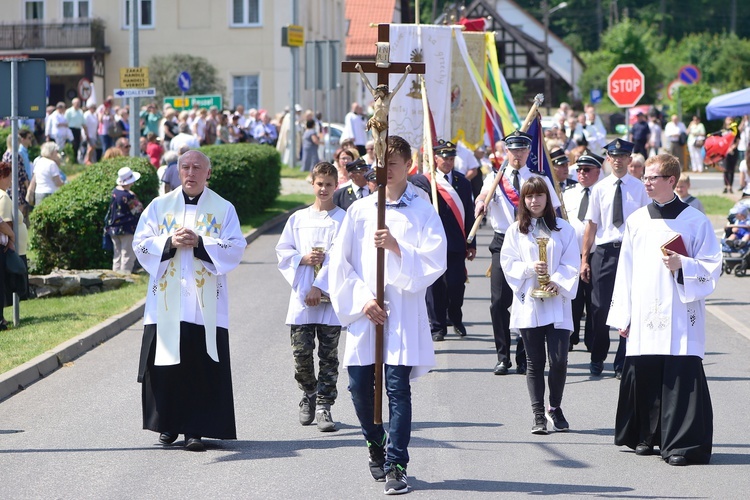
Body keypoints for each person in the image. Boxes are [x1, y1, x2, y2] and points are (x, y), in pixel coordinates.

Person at [328, 135, 447, 495]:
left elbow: (434, 261)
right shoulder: (361, 210)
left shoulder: (422, 210)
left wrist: (397, 248)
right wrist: (364, 299)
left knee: (397, 389)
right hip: (368, 312)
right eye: (382, 163)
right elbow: (341, 263)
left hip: (404, 312)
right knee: (359, 386)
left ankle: (397, 463)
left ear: (408, 166)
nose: (387, 169)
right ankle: (374, 442)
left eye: (394, 163)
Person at [608, 153, 720, 466]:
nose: (646, 181)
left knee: (679, 373)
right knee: (646, 369)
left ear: (671, 180)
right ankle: (647, 436)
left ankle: (682, 445)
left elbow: (712, 266)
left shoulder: (694, 220)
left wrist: (682, 265)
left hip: (681, 310)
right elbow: (625, 270)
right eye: (644, 176)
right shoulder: (636, 219)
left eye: (653, 177)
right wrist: (623, 315)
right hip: (645, 310)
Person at [133, 150, 247, 451]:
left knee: (199, 366)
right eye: (185, 167)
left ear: (208, 173)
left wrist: (201, 242)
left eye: (197, 167)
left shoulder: (223, 208)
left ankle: (195, 429)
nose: (191, 172)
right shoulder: (159, 206)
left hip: (203, 306)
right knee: (166, 366)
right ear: (177, 171)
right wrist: (169, 242)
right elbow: (140, 244)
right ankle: (168, 424)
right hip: (167, 303)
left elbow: (236, 248)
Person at [474, 130, 560, 376]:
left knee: (529, 297)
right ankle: (503, 356)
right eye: (513, 150)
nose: (518, 155)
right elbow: (482, 196)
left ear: (529, 151)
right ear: (506, 151)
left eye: (523, 150)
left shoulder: (537, 178)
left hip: (532, 241)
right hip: (503, 242)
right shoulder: (495, 177)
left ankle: (525, 356)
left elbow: (552, 209)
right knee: (499, 302)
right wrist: (480, 202)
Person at [500, 176, 579, 434]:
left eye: (539, 195)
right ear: (523, 200)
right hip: (530, 303)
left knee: (558, 360)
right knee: (535, 362)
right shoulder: (516, 231)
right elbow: (508, 263)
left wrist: (557, 280)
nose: (534, 201)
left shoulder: (564, 229)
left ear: (548, 198)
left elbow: (571, 262)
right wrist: (529, 268)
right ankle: (538, 415)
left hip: (556, 301)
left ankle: (554, 407)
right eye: (529, 196)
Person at [276, 161, 346, 432]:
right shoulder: (298, 219)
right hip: (302, 297)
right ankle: (308, 393)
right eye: (320, 184)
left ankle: (325, 406)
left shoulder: (342, 219)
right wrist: (302, 259)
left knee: (329, 355)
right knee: (302, 354)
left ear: (336, 185)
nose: (324, 189)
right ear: (312, 183)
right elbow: (283, 251)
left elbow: (342, 257)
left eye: (329, 184)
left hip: (329, 296)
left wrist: (320, 286)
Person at [580, 139, 649, 379]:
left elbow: (648, 224)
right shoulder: (599, 188)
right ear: (608, 159)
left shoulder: (640, 188)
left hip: (631, 252)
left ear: (630, 159)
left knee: (629, 308)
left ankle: (622, 361)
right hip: (605, 252)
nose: (618, 160)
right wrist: (584, 260)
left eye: (622, 156)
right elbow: (592, 225)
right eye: (613, 156)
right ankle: (597, 357)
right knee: (599, 308)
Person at [411, 140, 476, 341]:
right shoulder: (423, 182)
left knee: (456, 285)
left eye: (451, 158)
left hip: (456, 243)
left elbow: (469, 213)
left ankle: (455, 317)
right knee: (435, 287)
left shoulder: (462, 182)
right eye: (444, 158)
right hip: (433, 243)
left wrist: (471, 243)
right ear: (435, 158)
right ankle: (437, 326)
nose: (448, 161)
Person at [563, 152, 602, 351]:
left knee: (594, 301)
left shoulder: (603, 193)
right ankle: (570, 337)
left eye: (587, 170)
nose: (582, 173)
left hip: (597, 255)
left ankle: (592, 342)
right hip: (571, 254)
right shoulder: (568, 193)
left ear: (598, 171)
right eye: (578, 170)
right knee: (572, 298)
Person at [0, 161, 27, 330]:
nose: (11, 180)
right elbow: (3, 223)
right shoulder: (2, 197)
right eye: (9, 177)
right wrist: (11, 236)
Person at [105, 167, 144, 273]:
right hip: (127, 228)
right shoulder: (129, 196)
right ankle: (125, 277)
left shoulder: (115, 192)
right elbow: (138, 211)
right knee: (127, 254)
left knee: (117, 254)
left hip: (113, 228)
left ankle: (115, 277)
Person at [65, 98, 85, 164]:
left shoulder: (80, 112)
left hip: (78, 130)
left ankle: (75, 159)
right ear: (73, 103)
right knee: (72, 145)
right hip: (71, 130)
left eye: (79, 103)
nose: (78, 104)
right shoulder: (69, 111)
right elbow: (66, 122)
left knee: (77, 144)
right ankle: (71, 159)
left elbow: (83, 123)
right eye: (76, 103)